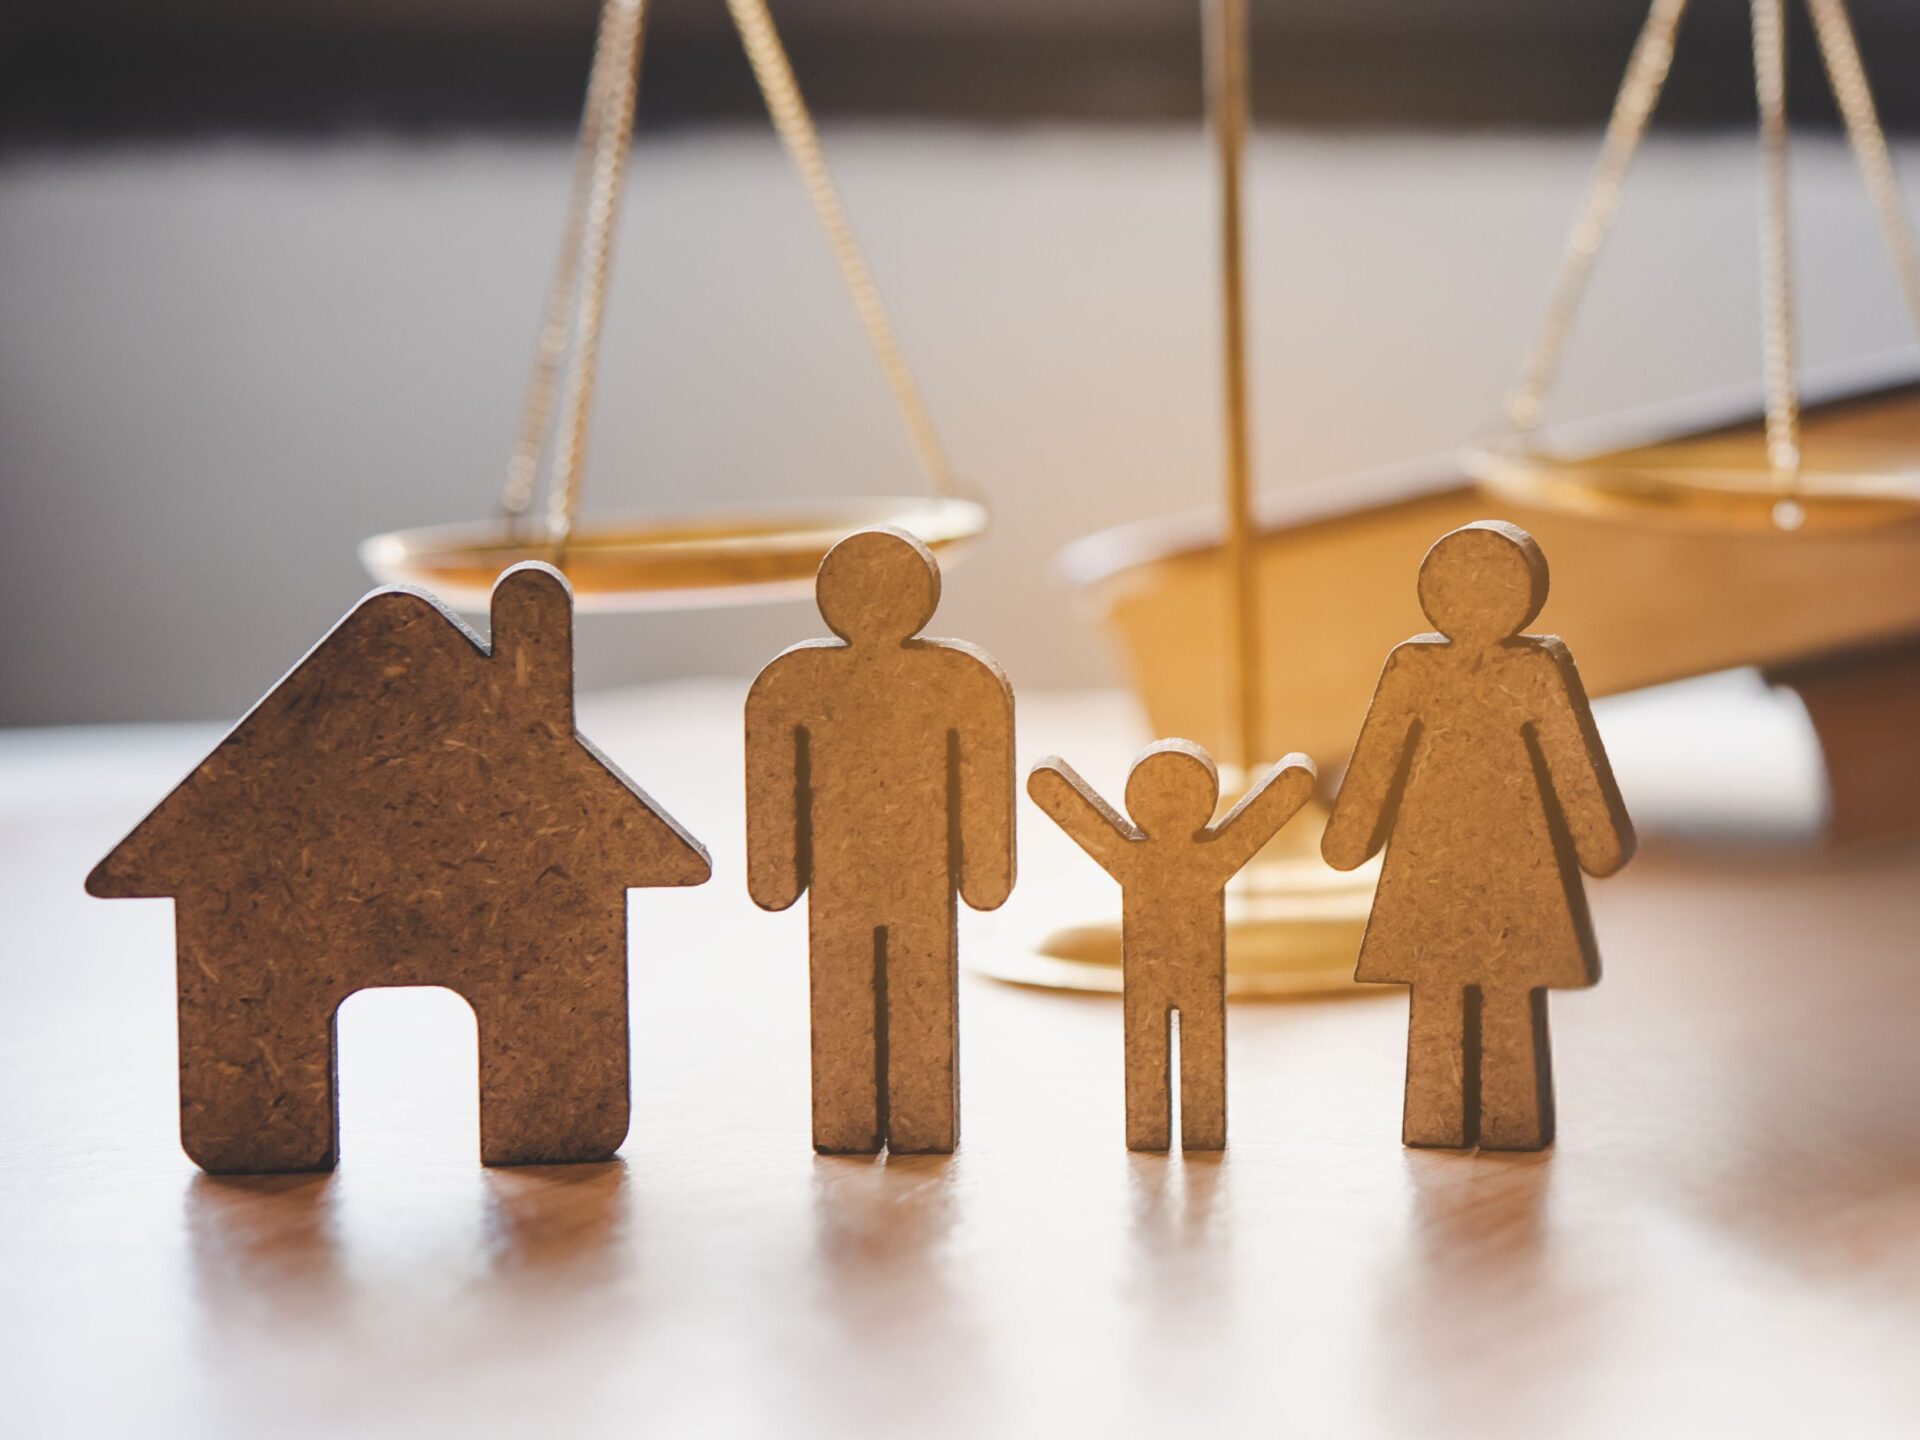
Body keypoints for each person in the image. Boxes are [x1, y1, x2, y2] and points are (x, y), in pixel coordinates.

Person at [1322, 520, 1634, 1150]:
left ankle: (1505, 1121)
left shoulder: (1533, 670)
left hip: (1502, 863)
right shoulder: (1415, 668)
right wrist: (1350, 836)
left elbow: (1571, 764)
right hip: (1435, 863)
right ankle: (1445, 1120)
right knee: (1447, 989)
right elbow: (1378, 758)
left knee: (1500, 988)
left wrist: (1350, 840)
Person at [745, 527, 1015, 1154]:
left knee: (912, 991)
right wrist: (775, 871)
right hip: (846, 878)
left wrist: (982, 873)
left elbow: (981, 769)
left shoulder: (957, 679)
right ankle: (855, 1121)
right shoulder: (796, 683)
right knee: (846, 992)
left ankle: (909, 1119)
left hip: (909, 874)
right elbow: (773, 776)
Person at [1028, 741, 1314, 1151]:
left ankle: (1179, 1129)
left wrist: (1048, 782)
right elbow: (1267, 812)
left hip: (1176, 976)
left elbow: (1071, 808)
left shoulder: (1140, 855)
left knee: (1180, 1047)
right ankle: (1177, 1129)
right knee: (1171, 1046)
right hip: (1176, 976)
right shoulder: (1192, 856)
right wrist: (1295, 779)